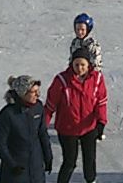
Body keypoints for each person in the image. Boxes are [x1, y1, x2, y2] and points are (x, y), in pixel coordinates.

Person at [45, 48, 109, 183]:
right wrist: (42, 126)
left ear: (89, 65)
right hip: (67, 128)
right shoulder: (61, 80)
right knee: (69, 162)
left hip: (89, 127)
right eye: (76, 65)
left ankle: (91, 180)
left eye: (83, 65)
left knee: (90, 160)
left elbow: (101, 102)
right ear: (71, 64)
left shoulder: (97, 79)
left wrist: (101, 122)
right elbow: (50, 106)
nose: (79, 68)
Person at [0, 75, 53, 183]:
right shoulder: (8, 114)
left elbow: (43, 134)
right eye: (33, 92)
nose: (38, 95)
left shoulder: (38, 107)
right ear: (22, 93)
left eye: (38, 91)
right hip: (16, 170)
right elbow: (0, 143)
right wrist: (12, 165)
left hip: (36, 167)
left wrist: (48, 156)